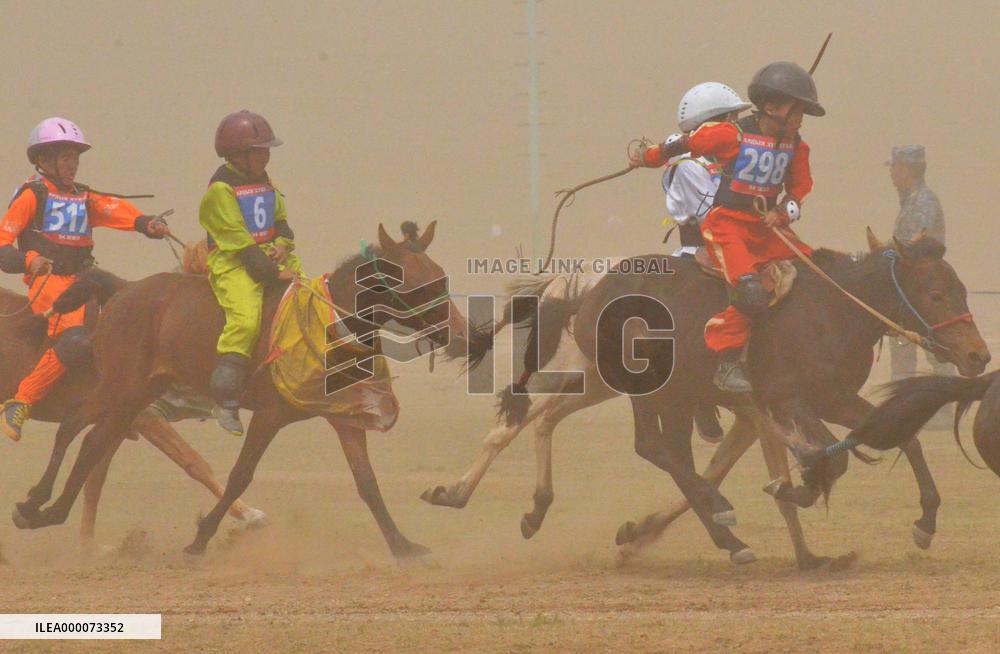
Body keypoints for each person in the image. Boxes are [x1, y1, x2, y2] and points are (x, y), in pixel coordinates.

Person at [632, 62, 823, 393]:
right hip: (728, 227)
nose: (800, 119)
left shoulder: (796, 146)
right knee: (750, 291)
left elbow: (800, 188)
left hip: (766, 229)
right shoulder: (730, 135)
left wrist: (783, 212)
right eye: (797, 111)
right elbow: (682, 144)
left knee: (814, 271)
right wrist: (648, 156)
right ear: (771, 107)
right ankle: (727, 362)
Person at [0, 118, 168, 441]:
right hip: (48, 284)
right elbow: (3, 247)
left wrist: (147, 224)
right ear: (44, 160)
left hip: (83, 279)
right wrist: (30, 261)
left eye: (76, 157)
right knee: (76, 337)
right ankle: (21, 401)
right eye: (66, 157)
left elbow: (114, 209)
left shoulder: (83, 197)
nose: (73, 164)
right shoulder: (31, 196)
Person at [200, 110, 302, 436]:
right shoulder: (220, 191)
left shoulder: (265, 181)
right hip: (234, 264)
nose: (267, 156)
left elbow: (282, 224)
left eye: (267, 149)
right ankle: (225, 397)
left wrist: (283, 246)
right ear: (238, 154)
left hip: (269, 258)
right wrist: (274, 274)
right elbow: (241, 246)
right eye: (261, 150)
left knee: (310, 297)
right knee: (245, 319)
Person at [886, 145, 952, 425]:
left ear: (907, 169)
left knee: (933, 345)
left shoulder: (922, 202)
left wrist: (883, 255)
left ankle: (945, 407)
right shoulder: (912, 200)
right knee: (904, 346)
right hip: (913, 288)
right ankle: (906, 409)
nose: (891, 172)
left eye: (895, 167)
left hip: (923, 291)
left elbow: (913, 246)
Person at [660, 82, 751, 257]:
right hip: (701, 252)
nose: (736, 127)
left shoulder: (730, 159)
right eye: (732, 119)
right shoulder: (688, 165)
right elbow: (713, 216)